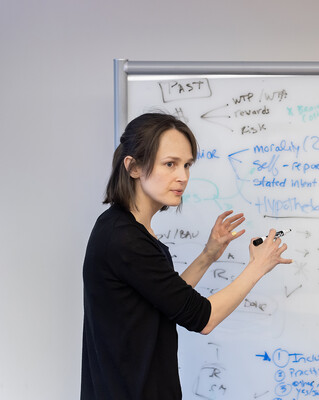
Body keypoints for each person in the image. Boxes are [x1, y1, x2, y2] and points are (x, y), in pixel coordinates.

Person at [81, 113, 292, 400]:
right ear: (133, 166)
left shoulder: (127, 229)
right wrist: (258, 266)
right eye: (170, 164)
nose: (183, 176)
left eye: (187, 165)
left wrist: (208, 255)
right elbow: (203, 318)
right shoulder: (124, 238)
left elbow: (168, 303)